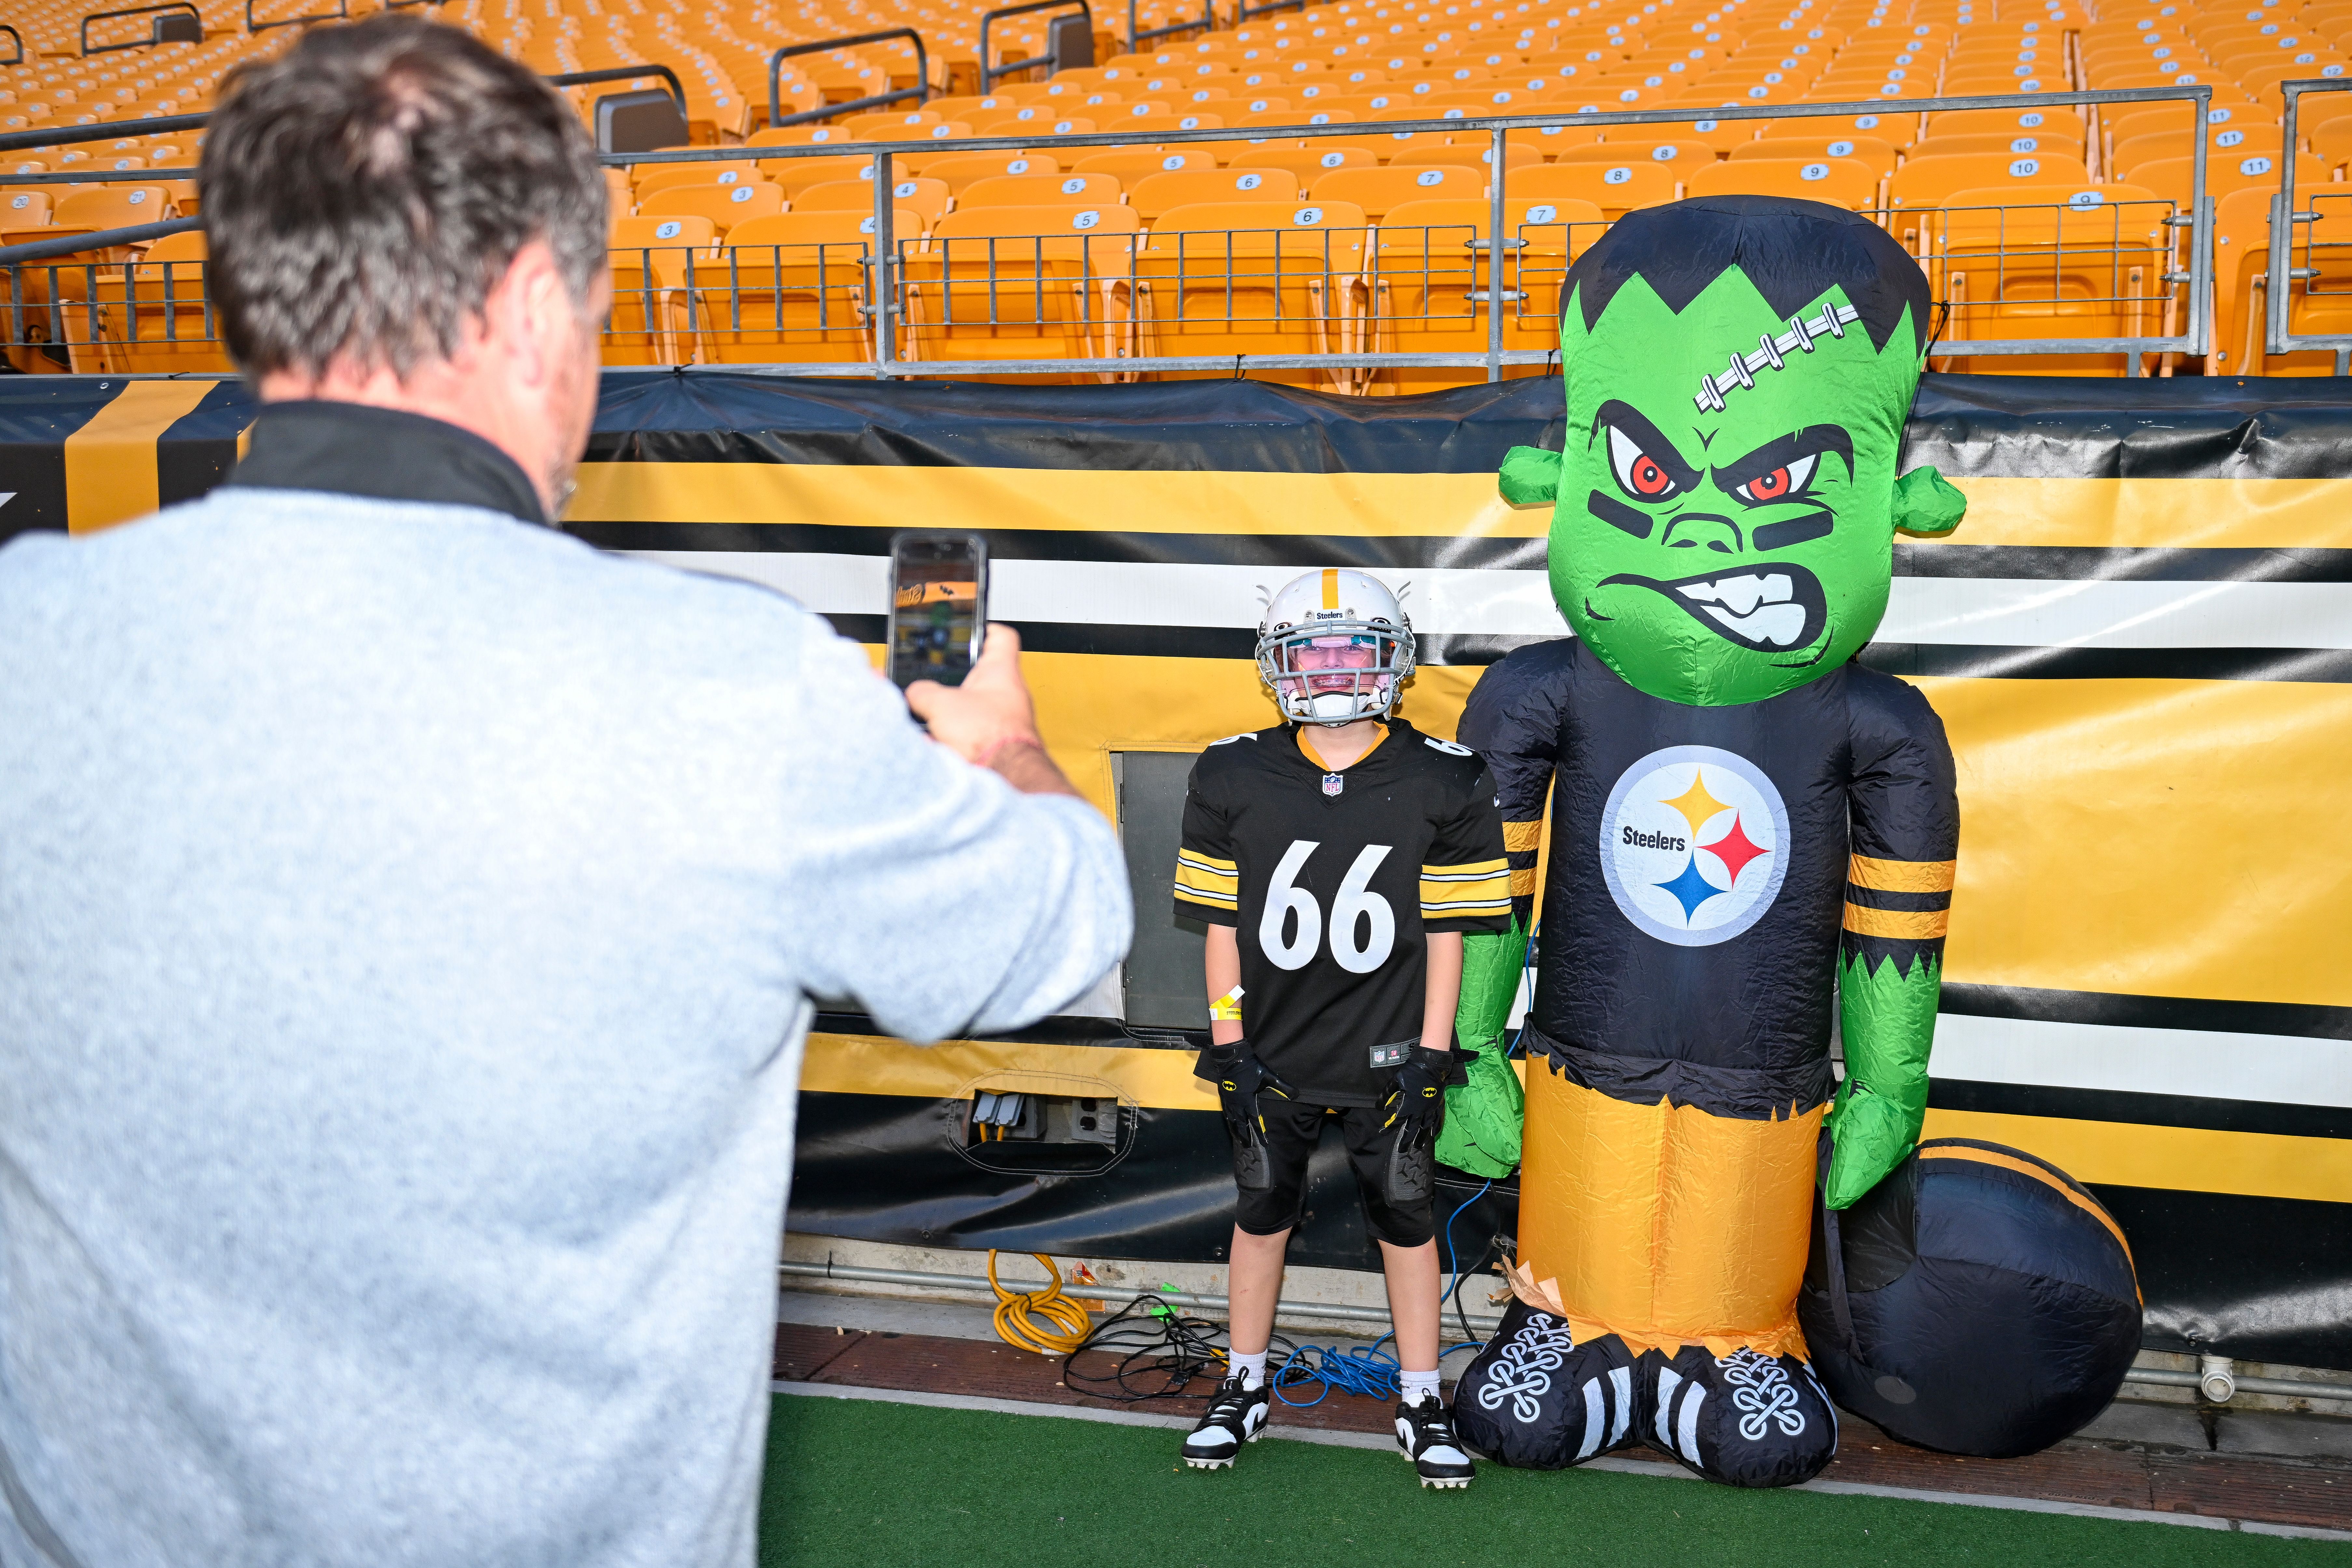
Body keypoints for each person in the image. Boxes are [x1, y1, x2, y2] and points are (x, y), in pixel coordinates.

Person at [0, 18, 1129, 1568]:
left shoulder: (25, 636)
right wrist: (1004, 746)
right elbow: (1060, 928)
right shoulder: (728, 691)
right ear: (535, 301)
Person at [1169, 568, 1512, 1488]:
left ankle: (1419, 1394)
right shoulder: (1233, 769)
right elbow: (1221, 929)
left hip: (1390, 1046)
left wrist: (1434, 1050)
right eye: (1309, 651)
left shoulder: (1446, 775)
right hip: (1272, 1046)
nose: (1326, 669)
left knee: (1405, 1216)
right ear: (1274, 664)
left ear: (1392, 660)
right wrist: (1230, 1042)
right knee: (1259, 1209)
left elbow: (1447, 931)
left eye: (1348, 649)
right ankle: (1241, 1383)